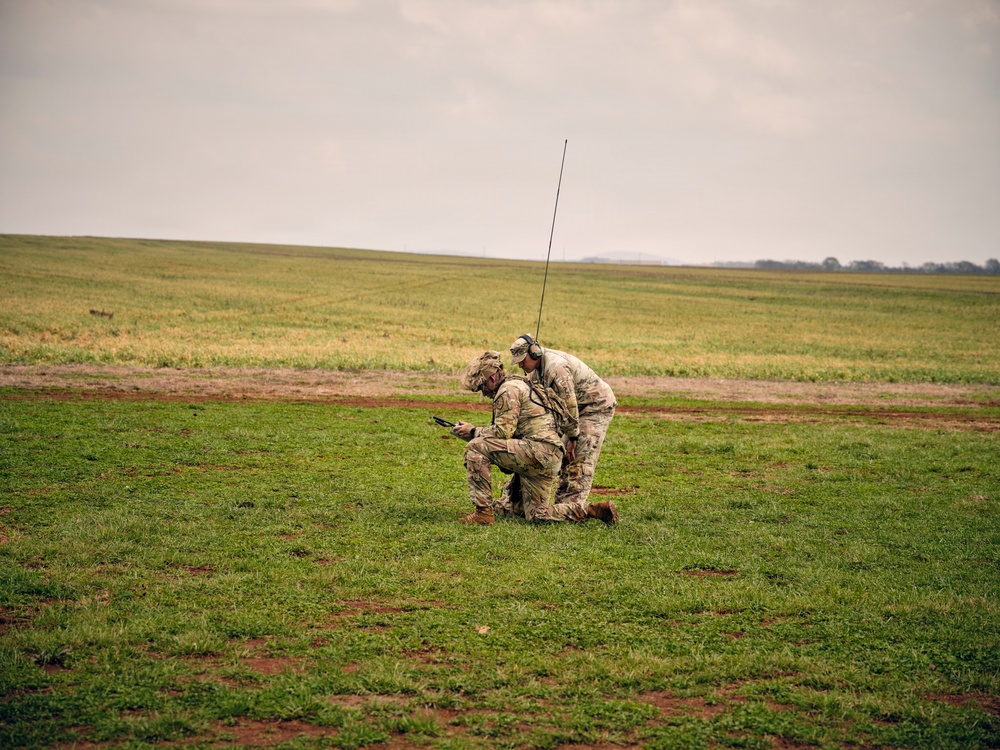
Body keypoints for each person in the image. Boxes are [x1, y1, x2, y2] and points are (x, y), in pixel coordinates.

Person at [451, 351, 618, 525]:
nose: (483, 393)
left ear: (492, 378)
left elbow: (503, 432)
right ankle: (593, 510)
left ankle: (483, 514)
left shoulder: (507, 390)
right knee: (538, 514)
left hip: (536, 452)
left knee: (475, 447)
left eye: (482, 387)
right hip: (548, 455)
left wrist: (472, 432)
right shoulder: (520, 383)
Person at [508, 334, 617, 513]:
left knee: (579, 456)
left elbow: (569, 404)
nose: (520, 365)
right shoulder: (534, 371)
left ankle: (573, 508)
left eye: (522, 360)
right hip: (573, 412)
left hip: (594, 406)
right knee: (564, 454)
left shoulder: (556, 368)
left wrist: (573, 436)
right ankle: (560, 505)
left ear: (534, 353)